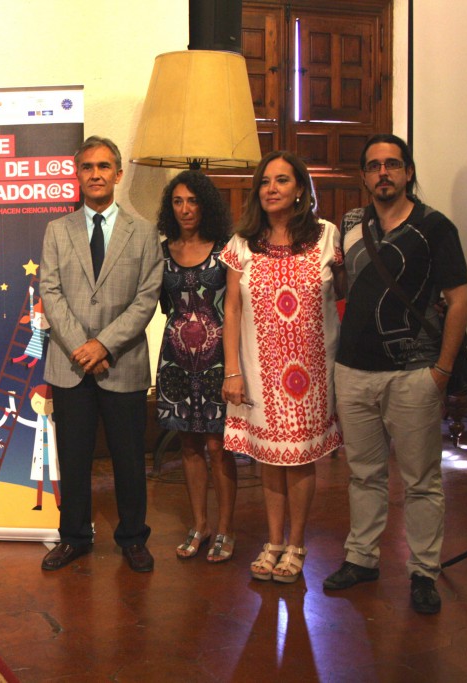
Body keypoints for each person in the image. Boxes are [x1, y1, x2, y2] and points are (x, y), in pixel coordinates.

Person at [323, 134, 467, 615]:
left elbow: (460, 300)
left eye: (392, 164)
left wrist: (441, 371)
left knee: (421, 480)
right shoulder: (349, 224)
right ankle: (362, 558)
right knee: (362, 475)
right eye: (373, 166)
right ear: (363, 176)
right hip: (354, 371)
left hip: (413, 374)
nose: (382, 173)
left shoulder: (435, 227)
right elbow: (348, 284)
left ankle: (424, 571)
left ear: (408, 172)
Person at [39, 136, 164, 573]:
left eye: (104, 166)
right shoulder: (57, 230)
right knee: (73, 457)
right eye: (88, 166)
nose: (95, 174)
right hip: (69, 363)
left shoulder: (144, 232)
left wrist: (105, 344)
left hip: (123, 362)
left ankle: (132, 537)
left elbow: (147, 298)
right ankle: (74, 537)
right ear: (78, 174)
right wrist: (83, 347)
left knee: (129, 458)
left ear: (117, 174)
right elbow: (50, 293)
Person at [220, 150, 344, 584]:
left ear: (299, 189)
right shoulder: (241, 243)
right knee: (269, 458)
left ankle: (297, 543)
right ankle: (272, 543)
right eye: (265, 181)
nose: (271, 188)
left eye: (282, 180)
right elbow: (232, 309)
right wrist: (231, 370)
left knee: (300, 458)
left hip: (312, 371)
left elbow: (346, 296)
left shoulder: (328, 236)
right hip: (259, 370)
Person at [155, 170, 238, 562]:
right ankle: (200, 524)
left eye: (192, 200)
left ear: (206, 204)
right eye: (177, 201)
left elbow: (239, 307)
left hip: (219, 360)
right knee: (188, 444)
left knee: (218, 445)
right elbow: (157, 305)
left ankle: (225, 529)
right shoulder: (161, 250)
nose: (185, 209)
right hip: (175, 360)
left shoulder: (227, 249)